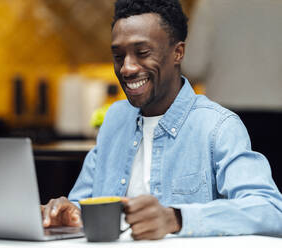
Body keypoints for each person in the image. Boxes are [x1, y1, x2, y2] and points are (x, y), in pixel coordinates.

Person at [41, 0, 282, 240]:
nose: (127, 68)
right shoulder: (115, 119)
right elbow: (81, 204)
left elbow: (271, 211)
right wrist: (69, 212)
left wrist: (175, 218)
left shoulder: (217, 126)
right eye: (118, 55)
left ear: (178, 53)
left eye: (142, 53)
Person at [182, 0, 282, 191]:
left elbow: (193, 66)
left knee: (228, 199)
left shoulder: (212, 5)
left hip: (225, 116)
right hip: (277, 116)